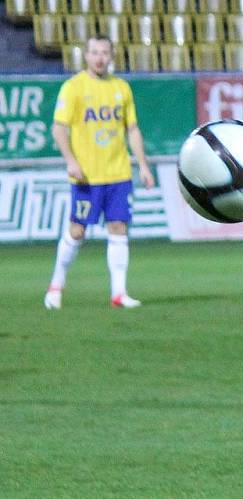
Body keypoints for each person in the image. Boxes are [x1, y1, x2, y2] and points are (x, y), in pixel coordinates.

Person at [44, 35, 154, 311]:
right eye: (94, 52)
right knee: (77, 230)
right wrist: (70, 160)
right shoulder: (74, 88)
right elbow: (58, 128)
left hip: (118, 174)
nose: (100, 57)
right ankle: (56, 285)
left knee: (118, 228)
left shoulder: (122, 88)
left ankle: (118, 293)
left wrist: (142, 164)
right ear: (86, 56)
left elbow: (132, 129)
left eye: (104, 52)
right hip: (86, 176)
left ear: (112, 55)